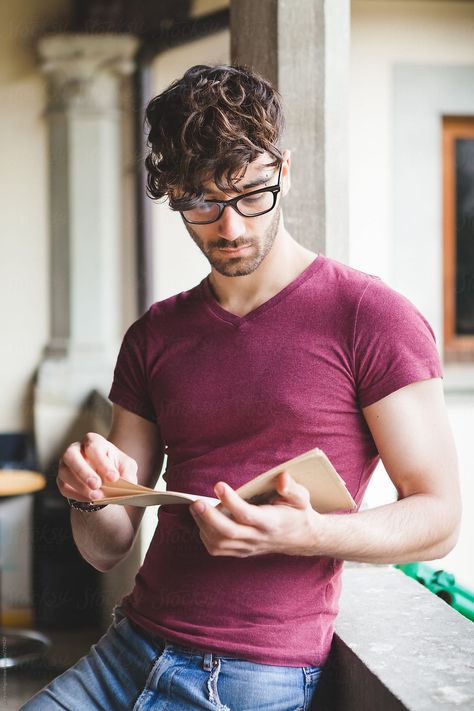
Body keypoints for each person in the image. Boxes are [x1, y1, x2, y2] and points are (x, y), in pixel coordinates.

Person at [22, 64, 461, 711]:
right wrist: (88, 493)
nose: (229, 227)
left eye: (251, 194)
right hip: (127, 647)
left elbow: (440, 517)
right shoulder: (155, 334)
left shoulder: (370, 315)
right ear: (170, 190)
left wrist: (305, 534)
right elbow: (108, 544)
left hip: (249, 677)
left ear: (283, 170)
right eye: (201, 201)